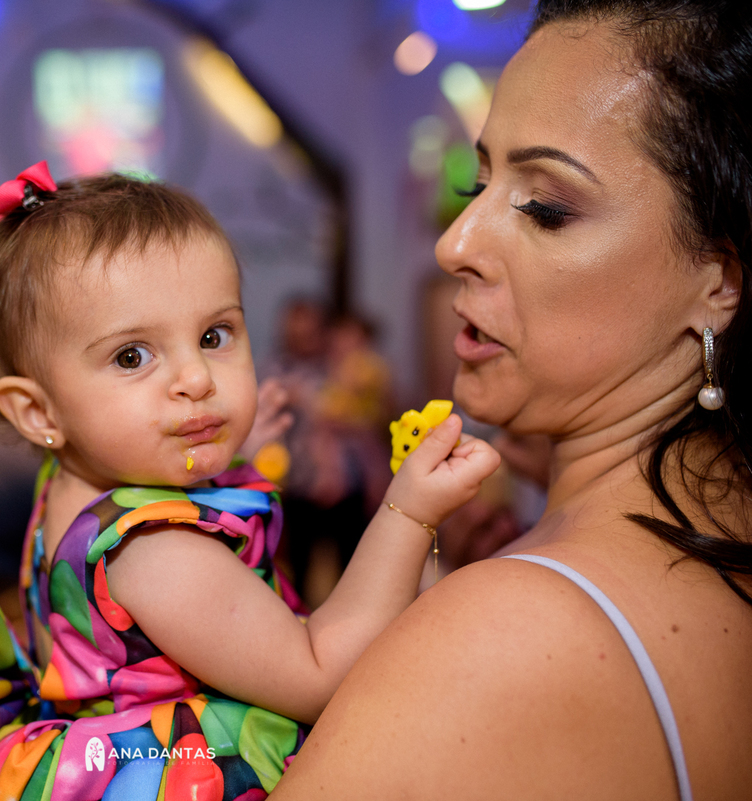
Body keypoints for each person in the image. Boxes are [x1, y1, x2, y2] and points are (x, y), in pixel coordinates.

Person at [269, 2, 752, 798]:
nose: (454, 241)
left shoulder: (509, 631)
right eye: (479, 181)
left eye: (545, 208)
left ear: (719, 280)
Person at [0, 165, 499, 800]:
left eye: (213, 336)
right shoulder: (153, 553)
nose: (196, 378)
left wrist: (228, 461)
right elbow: (317, 674)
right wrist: (407, 511)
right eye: (131, 356)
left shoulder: (78, 478)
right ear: (40, 413)